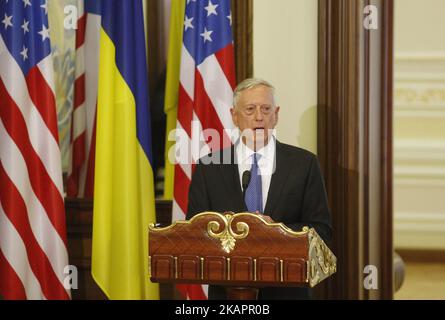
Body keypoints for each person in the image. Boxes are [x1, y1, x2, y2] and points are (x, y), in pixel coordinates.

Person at [186, 78, 332, 300]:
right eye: (250, 109)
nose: (259, 117)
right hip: (228, 293)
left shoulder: (304, 164)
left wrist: (277, 230)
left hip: (287, 293)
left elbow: (322, 230)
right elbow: (194, 233)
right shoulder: (209, 168)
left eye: (266, 109)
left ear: (276, 114)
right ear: (234, 115)